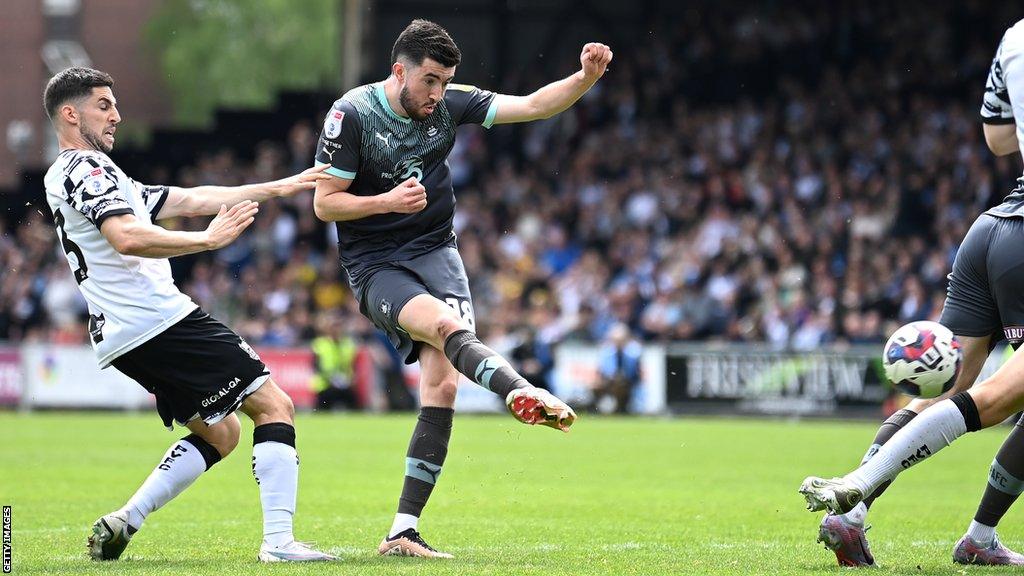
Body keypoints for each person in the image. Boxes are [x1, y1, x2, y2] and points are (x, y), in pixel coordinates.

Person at [312, 19, 611, 558]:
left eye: (446, 82)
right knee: (446, 327)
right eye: (429, 81)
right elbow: (324, 202)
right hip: (376, 263)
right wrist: (385, 202)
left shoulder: (450, 102)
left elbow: (534, 106)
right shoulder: (350, 115)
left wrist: (585, 77)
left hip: (437, 252)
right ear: (398, 70)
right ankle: (522, 390)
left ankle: (403, 531)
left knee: (443, 387)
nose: (438, 94)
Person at [41, 67, 337, 563]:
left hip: (127, 334)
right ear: (71, 114)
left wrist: (281, 187)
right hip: (159, 320)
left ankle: (124, 521)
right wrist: (207, 240)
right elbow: (127, 237)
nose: (117, 115)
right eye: (104, 105)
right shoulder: (84, 170)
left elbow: (190, 198)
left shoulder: (100, 174)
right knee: (275, 406)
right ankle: (280, 545)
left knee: (222, 432)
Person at [800, 19, 1024, 567]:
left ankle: (855, 517)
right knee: (996, 399)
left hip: (994, 228)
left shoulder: (1016, 35)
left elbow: (998, 138)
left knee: (950, 387)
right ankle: (860, 485)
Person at [594, 323, 642, 414]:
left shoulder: (633, 353)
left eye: (620, 340)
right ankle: (598, 408)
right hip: (609, 380)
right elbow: (603, 371)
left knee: (619, 385)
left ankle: (620, 409)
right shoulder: (606, 352)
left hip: (627, 382)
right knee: (595, 386)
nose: (618, 343)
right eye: (615, 340)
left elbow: (634, 374)